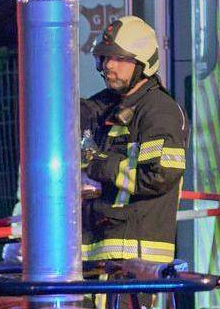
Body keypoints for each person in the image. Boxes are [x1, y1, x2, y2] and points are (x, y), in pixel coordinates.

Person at [80, 17, 188, 263]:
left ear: (142, 63)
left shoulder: (159, 111)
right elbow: (77, 116)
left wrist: (98, 164)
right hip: (99, 250)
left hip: (135, 256)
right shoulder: (105, 106)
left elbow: (158, 175)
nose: (109, 65)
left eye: (118, 58)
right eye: (105, 58)